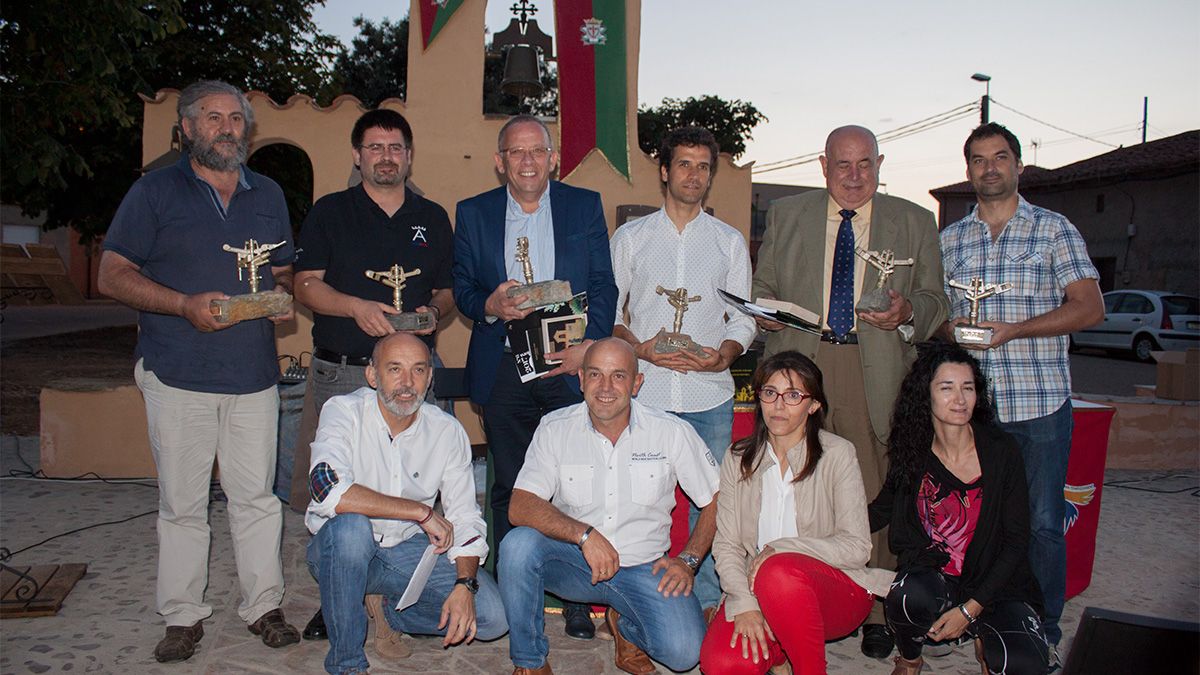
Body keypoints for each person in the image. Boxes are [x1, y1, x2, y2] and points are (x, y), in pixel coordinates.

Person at [97, 80, 300, 662]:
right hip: (179, 371)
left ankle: (263, 605)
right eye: (212, 117)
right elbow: (113, 273)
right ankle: (182, 616)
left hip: (253, 375)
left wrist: (280, 296)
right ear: (187, 128)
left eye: (236, 118)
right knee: (184, 503)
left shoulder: (268, 194)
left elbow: (282, 270)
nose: (226, 127)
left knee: (256, 498)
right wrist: (183, 304)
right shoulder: (154, 192)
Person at [752, 125, 949, 658]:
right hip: (801, 368)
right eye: (843, 165)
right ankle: (802, 593)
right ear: (823, 166)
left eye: (865, 164)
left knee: (873, 487)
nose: (855, 176)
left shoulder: (914, 220)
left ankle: (879, 608)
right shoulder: (788, 214)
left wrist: (908, 312)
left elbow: (937, 302)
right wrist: (766, 313)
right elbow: (761, 285)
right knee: (798, 482)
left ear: (880, 164)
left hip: (875, 366)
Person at [939, 123, 1103, 666]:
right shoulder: (951, 241)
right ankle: (983, 620)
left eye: (1000, 157)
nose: (990, 168)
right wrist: (951, 328)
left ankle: (1043, 632)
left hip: (1038, 405)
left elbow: (1089, 307)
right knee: (977, 522)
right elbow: (938, 320)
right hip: (974, 411)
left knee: (1039, 524)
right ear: (968, 170)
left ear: (1018, 166)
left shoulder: (1053, 230)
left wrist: (1015, 328)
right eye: (979, 159)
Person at [289, 108, 457, 640]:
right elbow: (304, 285)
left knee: (417, 484)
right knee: (342, 486)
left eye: (395, 147)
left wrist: (436, 312)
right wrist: (352, 307)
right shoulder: (330, 212)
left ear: (408, 156)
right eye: (374, 147)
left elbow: (449, 290)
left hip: (413, 376)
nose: (386, 156)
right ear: (358, 155)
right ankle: (342, 592)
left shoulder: (431, 217)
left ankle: (393, 591)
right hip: (344, 372)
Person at [452, 115, 617, 639]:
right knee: (510, 483)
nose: (527, 161)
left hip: (567, 368)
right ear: (500, 161)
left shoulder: (583, 205)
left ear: (553, 158)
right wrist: (491, 306)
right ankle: (509, 587)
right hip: (503, 368)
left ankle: (572, 594)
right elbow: (461, 289)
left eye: (537, 151)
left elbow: (604, 285)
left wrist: (587, 347)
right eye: (515, 152)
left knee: (573, 486)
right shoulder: (473, 213)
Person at [499, 339, 719, 675]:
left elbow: (717, 499)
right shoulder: (555, 428)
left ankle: (626, 626)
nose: (605, 387)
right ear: (581, 379)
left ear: (637, 383)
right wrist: (585, 535)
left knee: (685, 653)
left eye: (618, 376)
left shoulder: (671, 432)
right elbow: (521, 505)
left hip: (646, 569)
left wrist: (689, 560)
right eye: (595, 375)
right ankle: (530, 662)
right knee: (517, 546)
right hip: (575, 563)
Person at [609, 126, 755, 614]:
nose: (694, 175)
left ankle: (710, 601)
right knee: (636, 498)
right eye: (685, 164)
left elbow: (743, 318)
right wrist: (642, 349)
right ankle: (630, 602)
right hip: (646, 394)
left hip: (707, 394)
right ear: (665, 171)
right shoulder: (631, 239)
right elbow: (611, 316)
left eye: (703, 167)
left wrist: (725, 354)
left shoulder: (728, 242)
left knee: (712, 501)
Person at [305, 332, 508, 675]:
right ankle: (347, 664)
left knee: (492, 618)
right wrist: (421, 512)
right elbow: (327, 489)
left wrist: (464, 585)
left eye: (418, 370)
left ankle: (387, 609)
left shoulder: (446, 431)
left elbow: (465, 518)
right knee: (352, 527)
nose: (407, 383)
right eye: (394, 369)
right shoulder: (343, 411)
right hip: (341, 551)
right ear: (372, 375)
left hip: (406, 549)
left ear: (430, 377)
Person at [700, 351, 893, 675]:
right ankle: (780, 652)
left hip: (836, 590)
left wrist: (784, 548)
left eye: (793, 395)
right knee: (722, 664)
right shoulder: (737, 458)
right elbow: (727, 545)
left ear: (813, 404)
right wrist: (744, 603)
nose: (778, 405)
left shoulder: (838, 454)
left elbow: (857, 548)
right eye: (770, 393)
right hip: (757, 587)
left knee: (778, 569)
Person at [869, 343, 1049, 675]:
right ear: (926, 395)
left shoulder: (1001, 451)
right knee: (905, 596)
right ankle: (910, 660)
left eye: (968, 387)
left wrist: (969, 611)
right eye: (947, 388)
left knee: (1020, 665)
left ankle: (984, 634)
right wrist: (819, 530)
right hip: (937, 576)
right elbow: (881, 509)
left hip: (997, 585)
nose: (960, 398)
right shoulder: (912, 450)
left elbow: (1016, 542)